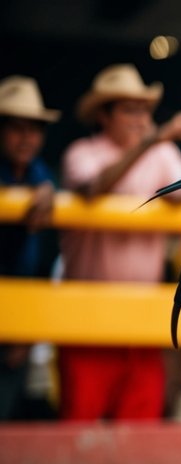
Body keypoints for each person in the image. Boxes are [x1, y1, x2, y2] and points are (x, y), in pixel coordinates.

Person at [60, 64, 181, 421]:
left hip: (141, 315)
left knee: (140, 419)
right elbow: (91, 189)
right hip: (86, 315)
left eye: (144, 110)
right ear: (103, 116)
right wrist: (154, 142)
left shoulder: (162, 154)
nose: (140, 119)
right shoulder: (82, 152)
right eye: (129, 110)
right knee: (82, 418)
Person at [0, 75, 60, 420]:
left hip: (19, 309)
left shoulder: (40, 176)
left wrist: (26, 330)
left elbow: (45, 263)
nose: (27, 139)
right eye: (16, 129)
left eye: (34, 130)